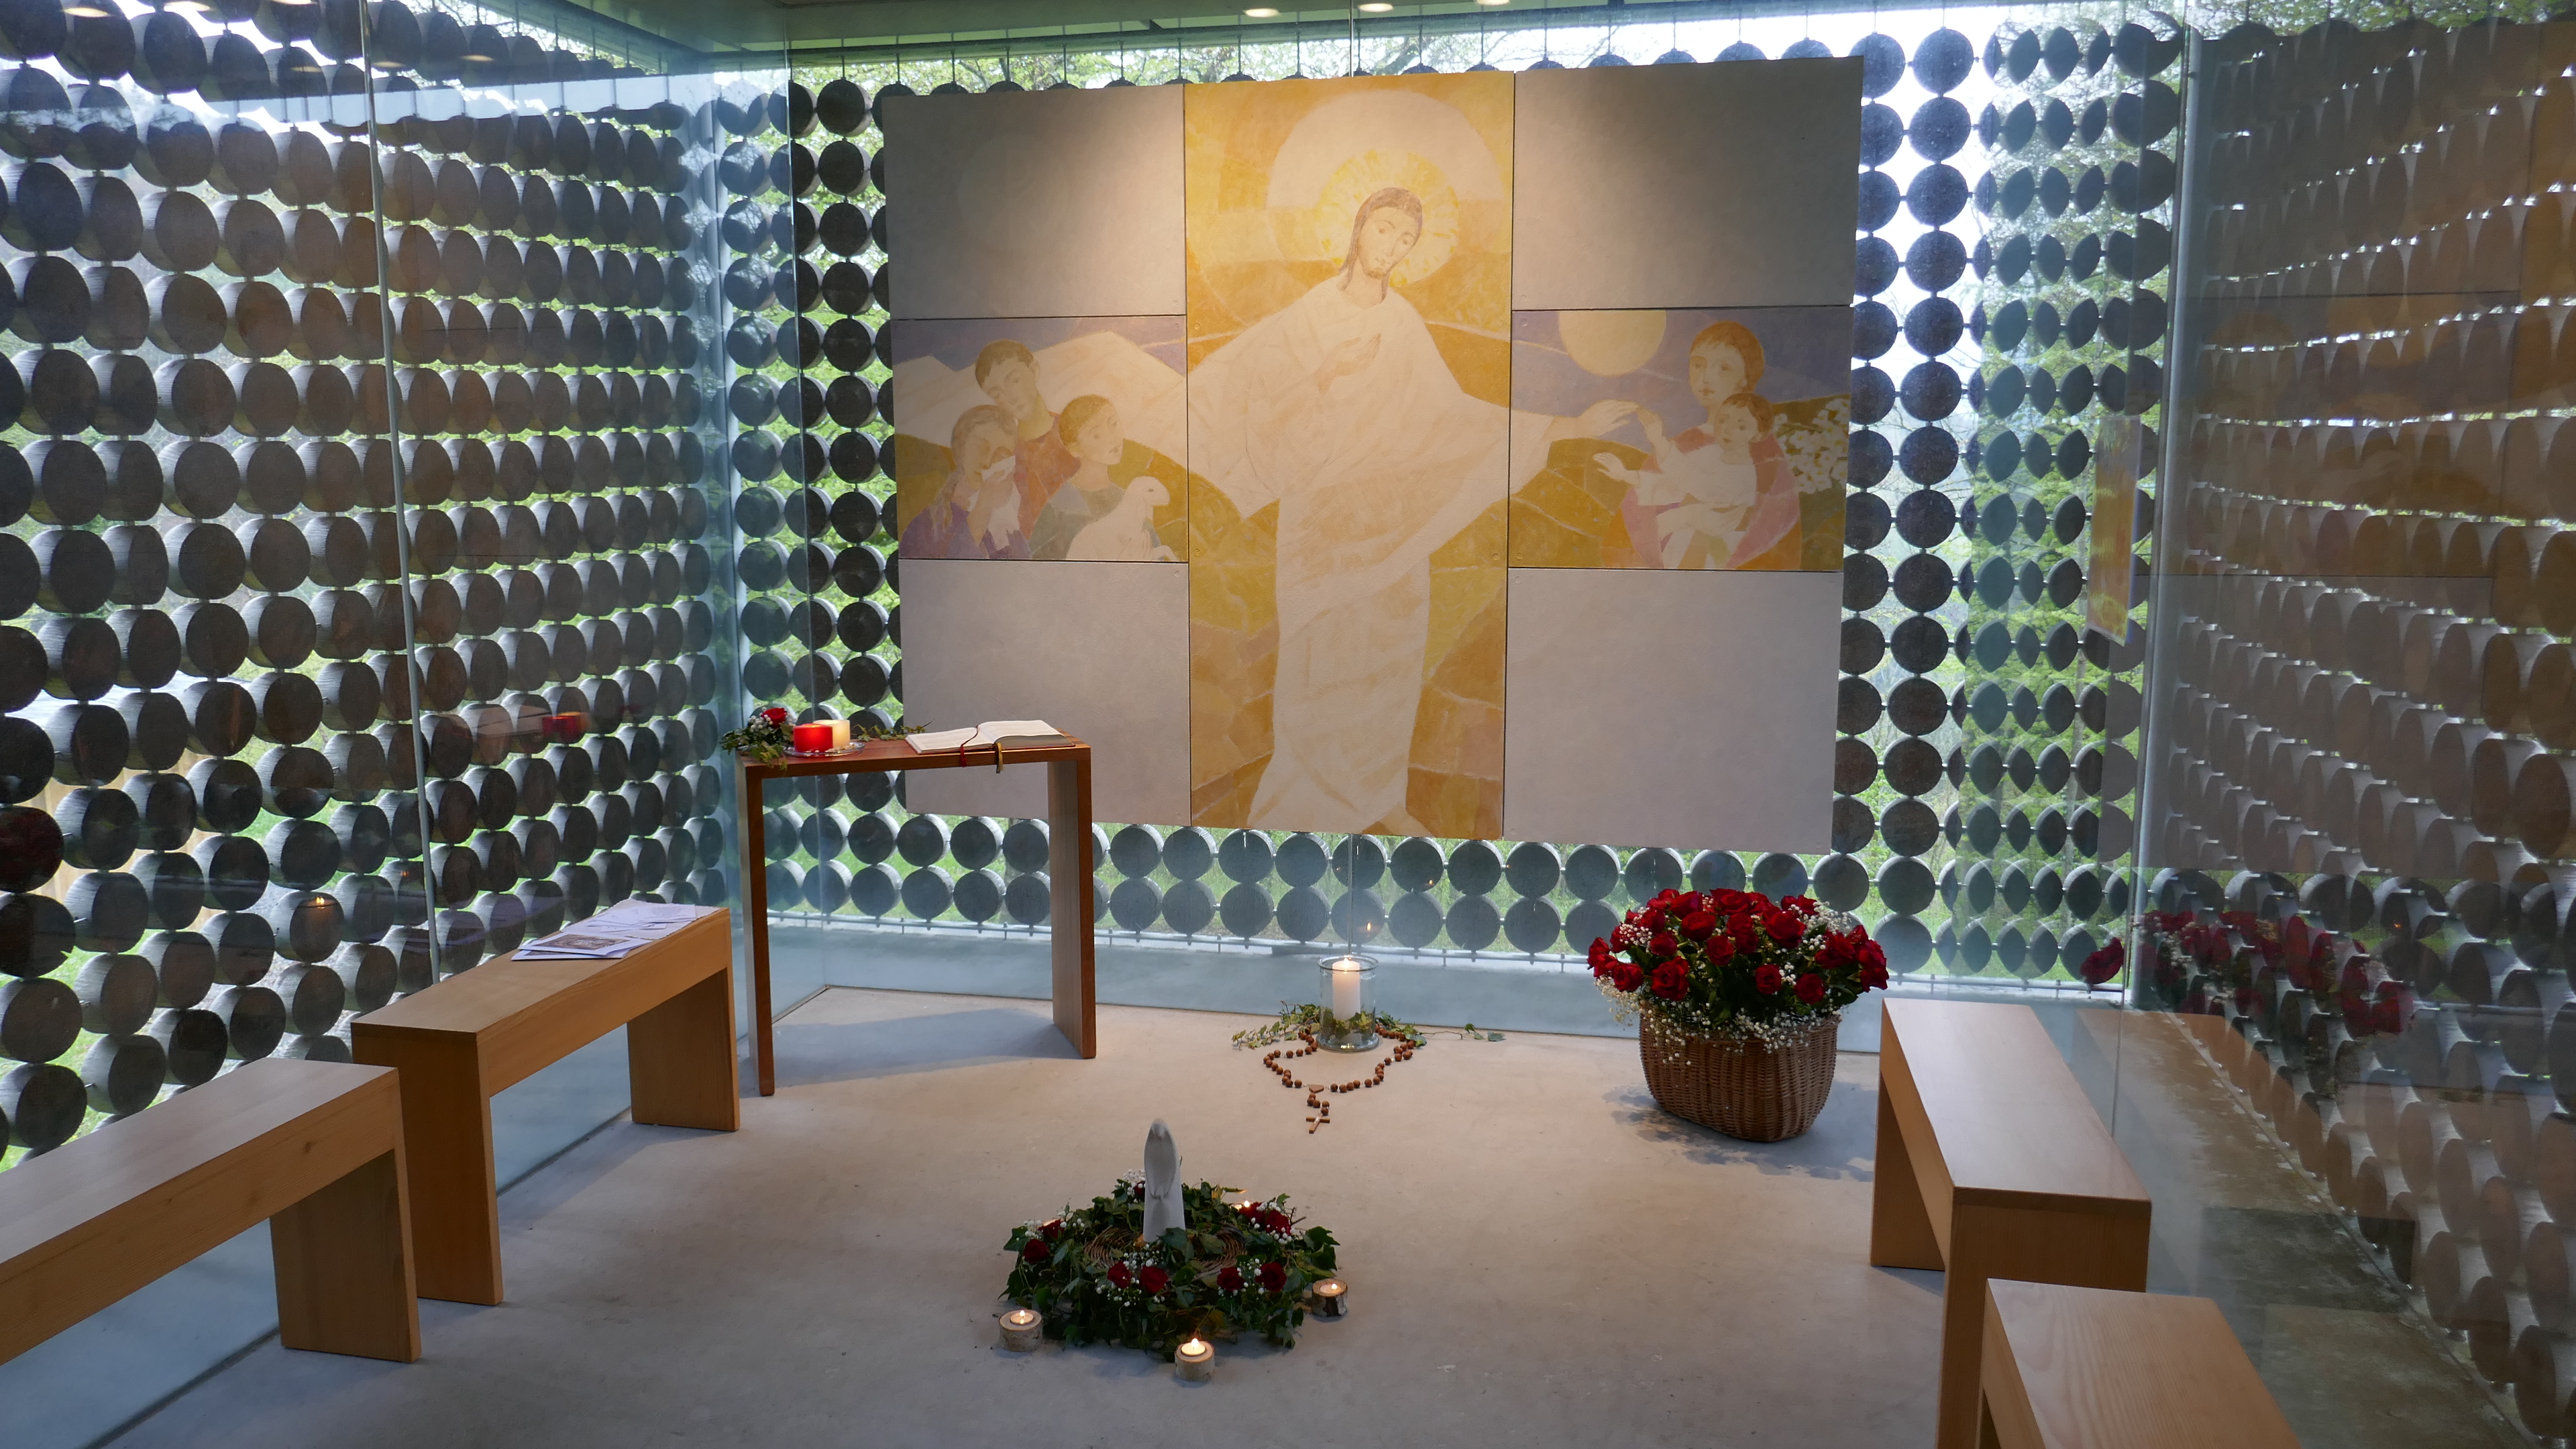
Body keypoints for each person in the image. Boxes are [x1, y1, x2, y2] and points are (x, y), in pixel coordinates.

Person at [1189, 184, 1634, 833]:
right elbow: (1265, 414)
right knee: (1319, 662)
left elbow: (1450, 417)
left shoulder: (1403, 324)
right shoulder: (1307, 317)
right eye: (1384, 229)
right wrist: (1326, 372)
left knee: (1391, 659)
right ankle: (1300, 805)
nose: (1391, 246)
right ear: (1358, 228)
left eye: (1406, 238)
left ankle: (1376, 799)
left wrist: (1564, 427)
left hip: (1392, 521)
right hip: (1321, 522)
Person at [1031, 395, 1175, 561]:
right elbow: (1038, 567)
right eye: (1097, 435)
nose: (1112, 437)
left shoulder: (1131, 500)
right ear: (1075, 449)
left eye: (1114, 424)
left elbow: (1155, 560)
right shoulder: (1060, 508)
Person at [972, 339, 1079, 535]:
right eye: (997, 394)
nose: (1010, 397)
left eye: (1014, 380)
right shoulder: (1008, 462)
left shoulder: (1079, 428)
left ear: (1034, 371)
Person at [899, 404, 1028, 559]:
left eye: (1000, 456)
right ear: (961, 446)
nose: (987, 462)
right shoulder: (928, 525)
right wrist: (983, 506)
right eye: (980, 447)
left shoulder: (1009, 531)